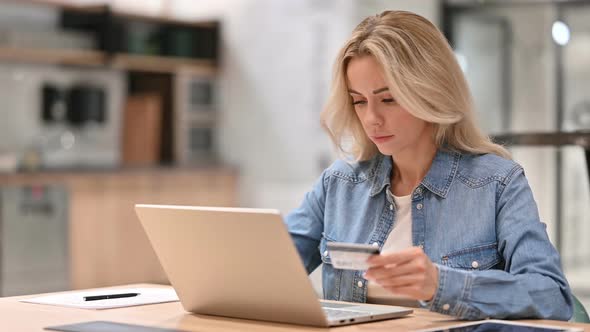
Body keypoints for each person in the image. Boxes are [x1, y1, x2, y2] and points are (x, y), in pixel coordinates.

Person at [285, 10, 573, 320]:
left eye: (389, 99)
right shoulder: (339, 185)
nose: (372, 119)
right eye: (359, 101)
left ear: (429, 91)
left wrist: (441, 285)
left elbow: (551, 296)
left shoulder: (497, 184)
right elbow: (266, 266)